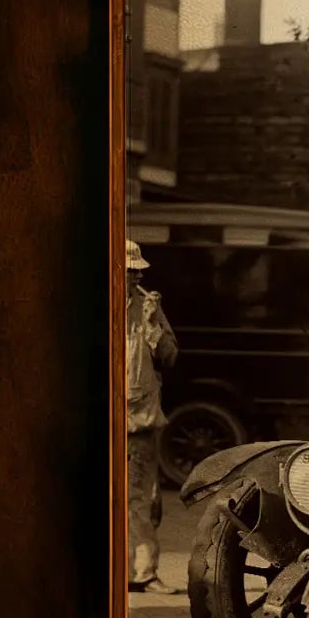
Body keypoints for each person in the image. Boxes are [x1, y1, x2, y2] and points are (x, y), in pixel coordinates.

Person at [126, 237, 179, 592]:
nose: (134, 277)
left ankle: (143, 573)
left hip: (140, 420)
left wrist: (152, 325)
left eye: (137, 272)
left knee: (141, 498)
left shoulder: (148, 309)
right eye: (128, 271)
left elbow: (170, 357)